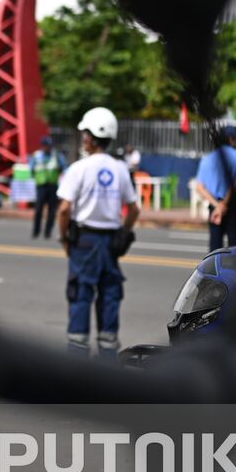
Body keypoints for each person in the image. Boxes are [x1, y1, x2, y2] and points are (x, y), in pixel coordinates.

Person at [55, 107, 140, 357]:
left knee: (81, 294)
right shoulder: (120, 169)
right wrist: (123, 233)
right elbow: (134, 210)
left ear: (92, 137)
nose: (83, 139)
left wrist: (64, 239)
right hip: (110, 242)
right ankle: (108, 359)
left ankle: (77, 359)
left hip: (84, 241)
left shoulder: (79, 168)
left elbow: (63, 210)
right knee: (110, 295)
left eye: (84, 135)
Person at [192, 125, 236, 252]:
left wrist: (217, 206)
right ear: (231, 140)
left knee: (215, 250)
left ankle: (216, 272)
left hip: (215, 207)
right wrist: (224, 204)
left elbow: (199, 187)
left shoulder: (207, 158)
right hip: (235, 206)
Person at [27, 135, 67, 239]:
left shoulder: (56, 155)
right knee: (38, 210)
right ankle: (36, 231)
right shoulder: (37, 156)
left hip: (52, 186)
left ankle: (47, 232)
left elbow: (64, 167)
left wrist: (59, 170)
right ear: (42, 146)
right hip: (41, 186)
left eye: (49, 145)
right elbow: (31, 169)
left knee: (52, 211)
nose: (48, 147)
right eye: (46, 145)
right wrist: (37, 178)